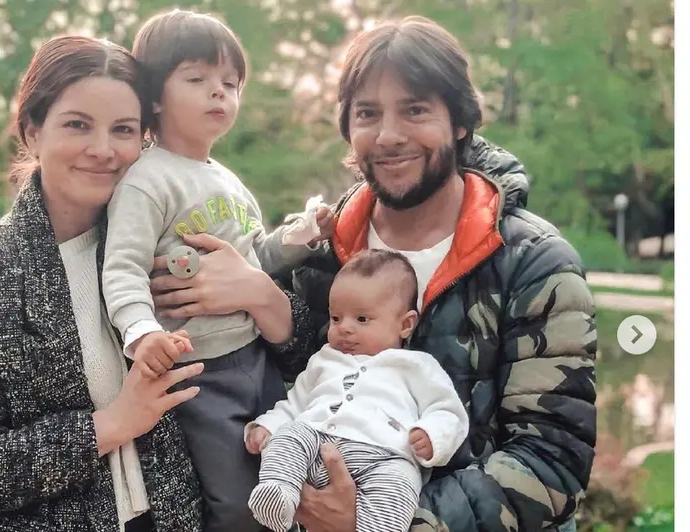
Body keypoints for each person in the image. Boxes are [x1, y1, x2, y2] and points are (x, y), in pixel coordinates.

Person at [150, 15, 597, 532]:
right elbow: (298, 388)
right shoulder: (323, 250)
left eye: (414, 110)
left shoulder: (533, 262)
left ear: (459, 121)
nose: (388, 135)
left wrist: (380, 521)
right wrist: (258, 298)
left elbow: (551, 461)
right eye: (368, 113)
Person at [0, 36, 205, 532]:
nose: (102, 149)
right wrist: (108, 426)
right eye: (77, 125)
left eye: (123, 130)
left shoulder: (171, 247)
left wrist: (265, 299)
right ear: (31, 132)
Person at [101, 9, 334, 532]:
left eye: (230, 84)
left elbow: (254, 263)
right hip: (200, 373)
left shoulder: (227, 180)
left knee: (298, 466)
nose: (218, 94)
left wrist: (295, 239)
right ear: (155, 97)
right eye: (198, 80)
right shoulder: (147, 180)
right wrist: (141, 333)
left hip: (257, 357)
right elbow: (122, 270)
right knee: (237, 501)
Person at [244, 249, 470, 532]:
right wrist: (268, 425)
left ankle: (376, 527)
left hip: (383, 456)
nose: (345, 329)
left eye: (362, 319)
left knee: (401, 480)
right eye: (336, 318)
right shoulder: (324, 360)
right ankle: (278, 493)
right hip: (318, 443)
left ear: (405, 324)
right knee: (291, 434)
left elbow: (447, 411)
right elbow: (294, 404)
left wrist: (432, 435)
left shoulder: (416, 366)